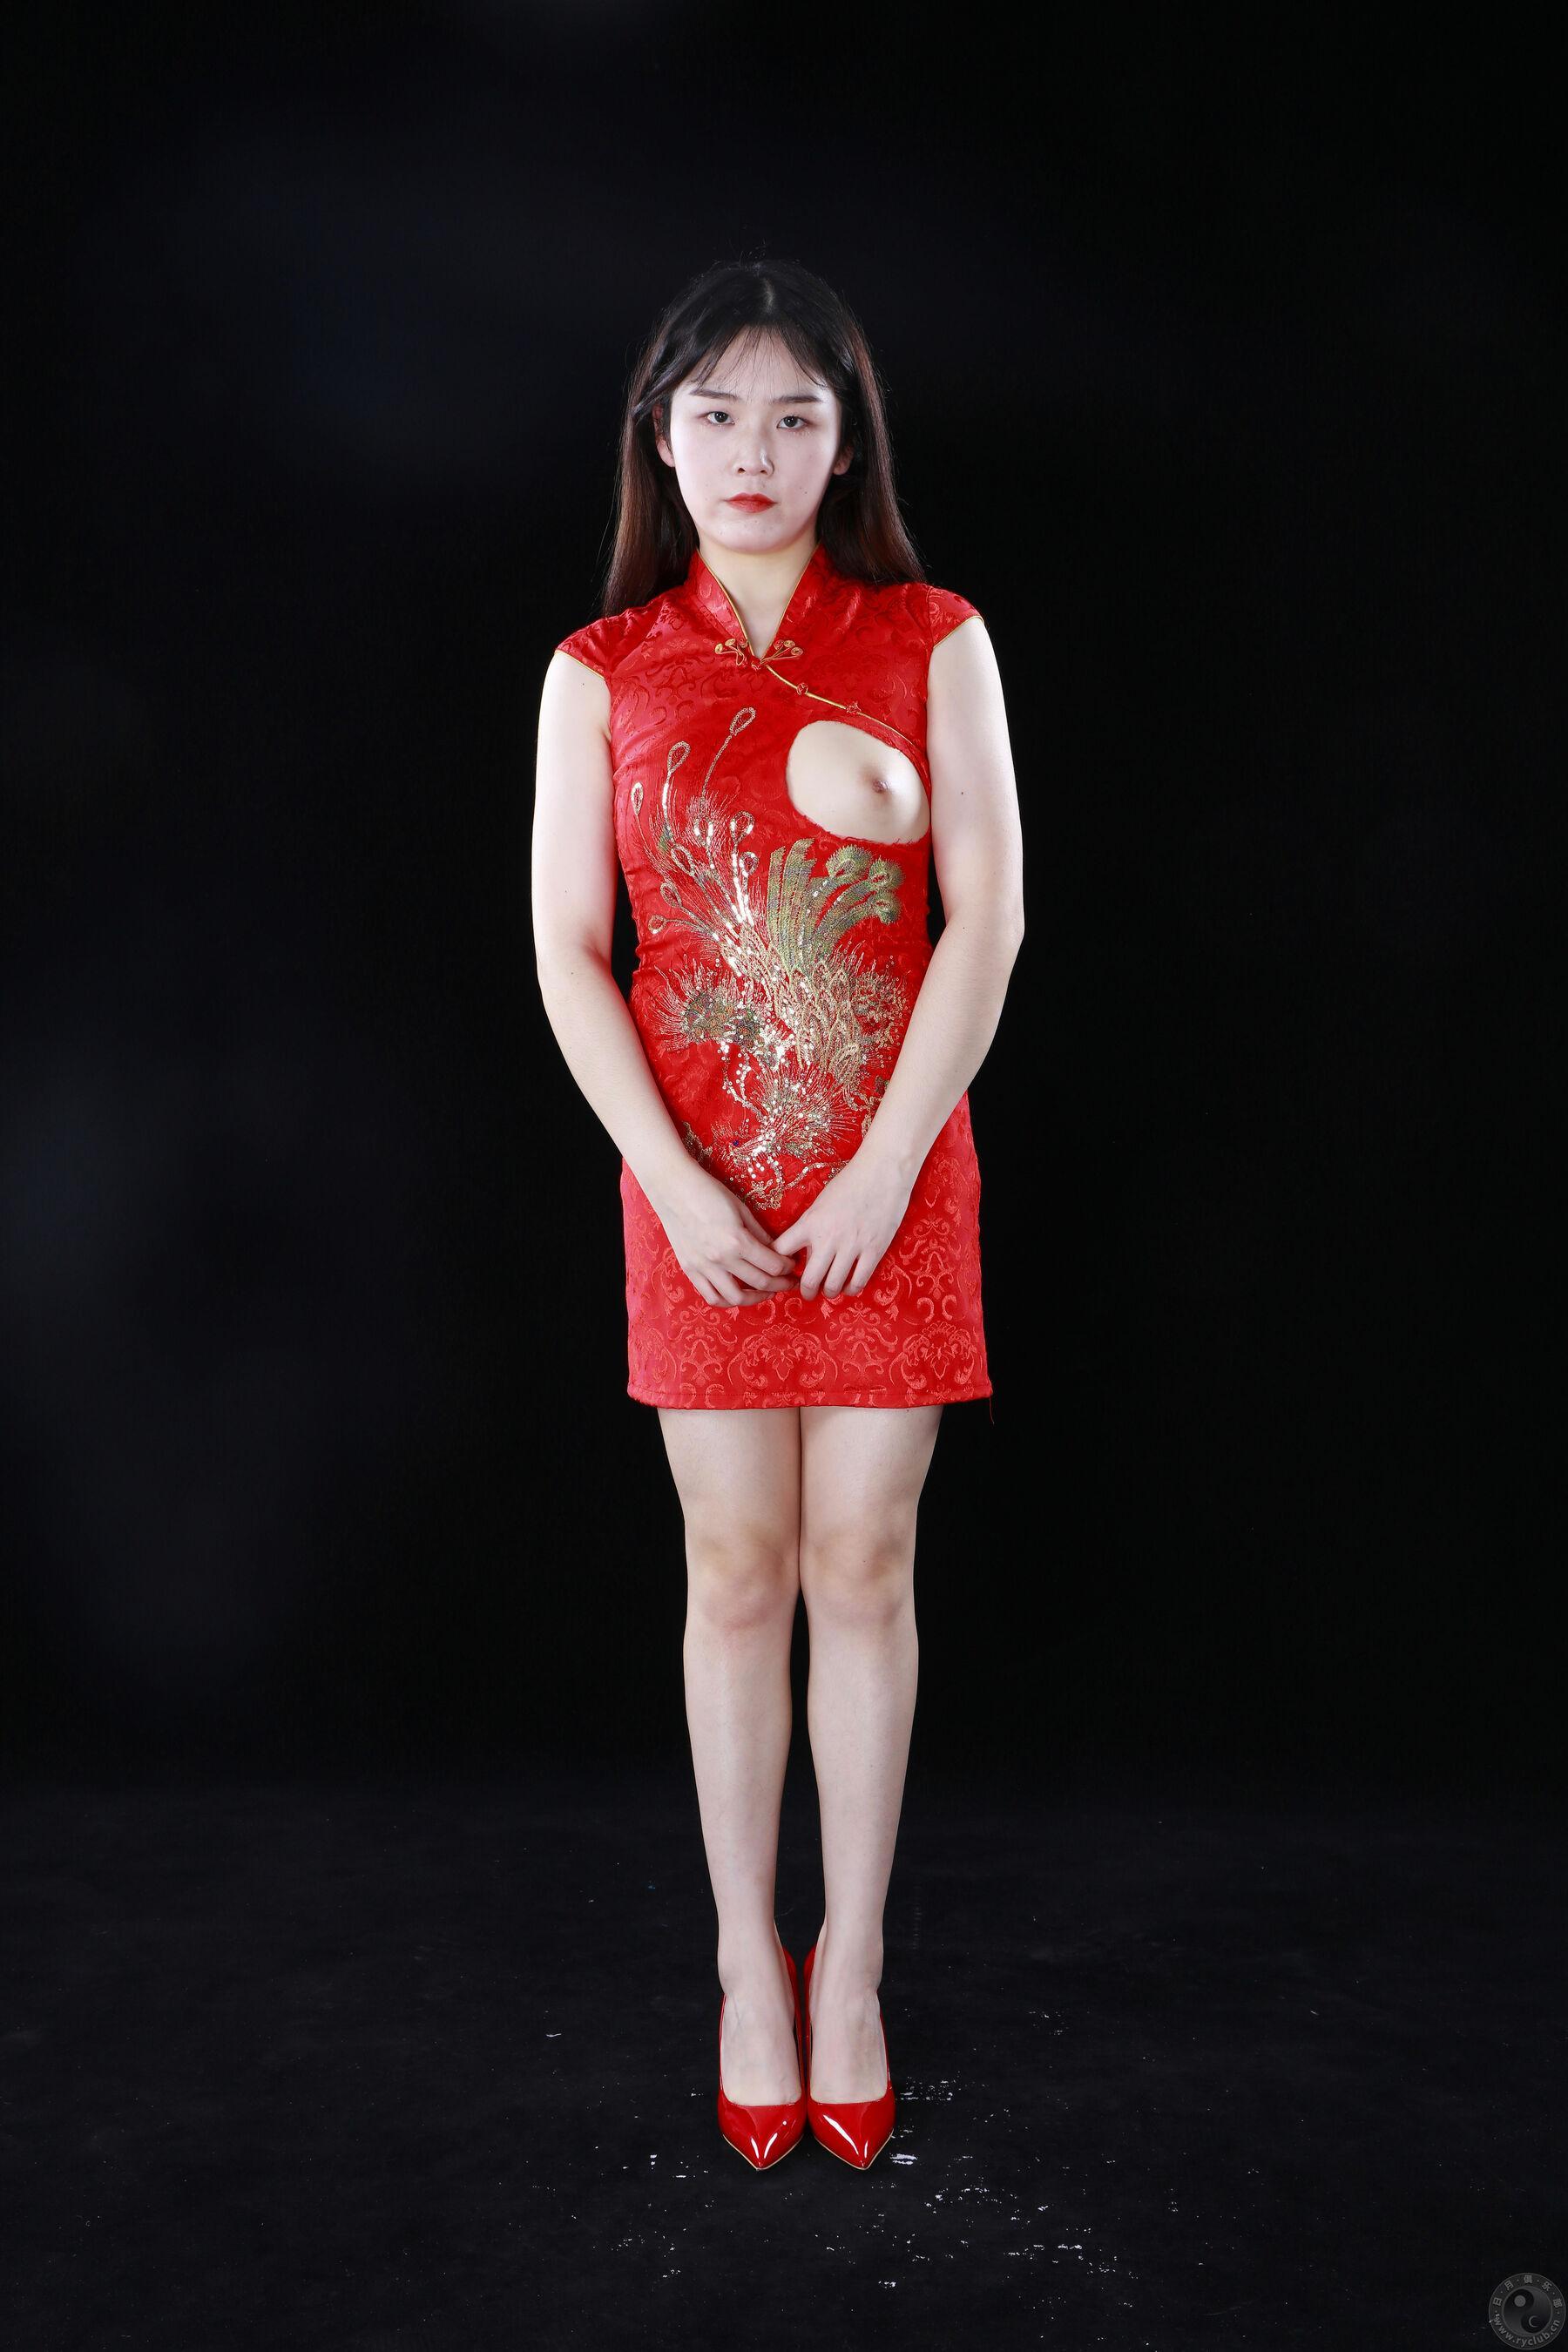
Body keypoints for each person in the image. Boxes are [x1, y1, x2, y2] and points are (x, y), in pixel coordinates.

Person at [532, 260, 1024, 2168]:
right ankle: (750, 1960)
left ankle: (857, 1966)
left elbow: (986, 918)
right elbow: (571, 951)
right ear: (661, 438)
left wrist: (890, 1161)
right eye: (718, 413)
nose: (754, 449)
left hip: (894, 1169)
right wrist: (670, 1179)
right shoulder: (599, 669)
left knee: (864, 1565)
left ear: (847, 443)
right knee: (735, 1571)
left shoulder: (933, 635)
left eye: (795, 415)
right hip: (698, 1190)